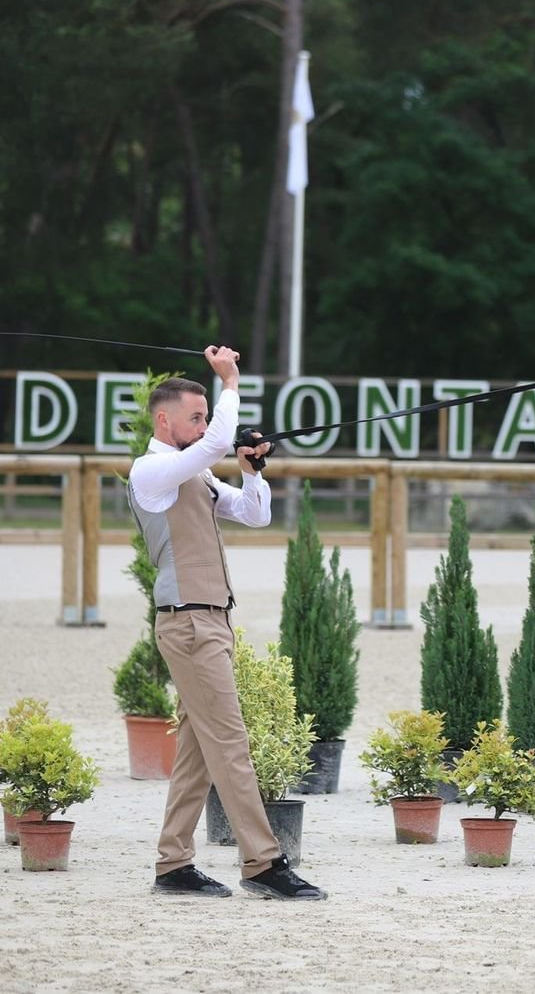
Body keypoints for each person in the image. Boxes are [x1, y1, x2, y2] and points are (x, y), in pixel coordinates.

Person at [128, 345, 325, 901]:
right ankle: (262, 863)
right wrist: (230, 381)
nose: (207, 424)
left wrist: (250, 470)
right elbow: (216, 440)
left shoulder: (200, 478)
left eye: (207, 413)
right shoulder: (153, 471)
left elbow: (256, 514)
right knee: (230, 742)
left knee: (198, 747)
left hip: (212, 622)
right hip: (189, 624)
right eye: (197, 415)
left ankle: (173, 865)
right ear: (164, 420)